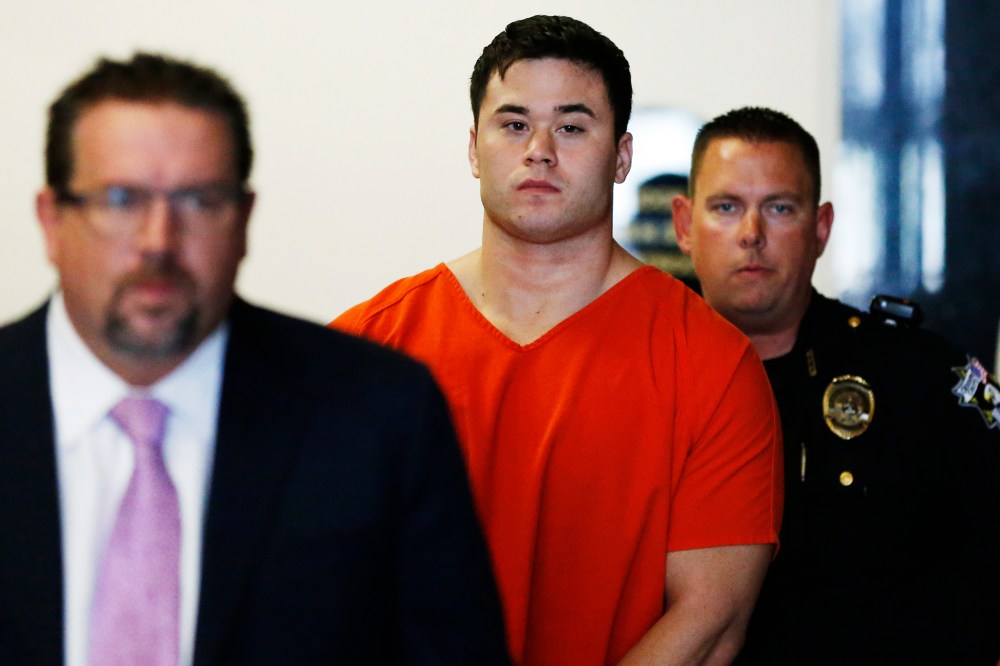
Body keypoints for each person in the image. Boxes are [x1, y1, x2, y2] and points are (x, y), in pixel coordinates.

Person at [0, 52, 509, 665]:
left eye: (197, 200)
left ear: (242, 220)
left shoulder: (377, 415)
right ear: (52, 221)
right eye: (120, 199)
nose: (158, 241)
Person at [332, 16, 782, 665]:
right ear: (473, 146)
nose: (539, 149)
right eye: (514, 124)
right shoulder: (366, 350)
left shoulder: (712, 364)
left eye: (572, 127)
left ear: (622, 156)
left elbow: (709, 625)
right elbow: (312, 591)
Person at [673, 106, 1000, 664]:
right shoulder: (641, 379)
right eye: (727, 208)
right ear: (684, 226)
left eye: (779, 208)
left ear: (820, 228)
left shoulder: (915, 374)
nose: (752, 235)